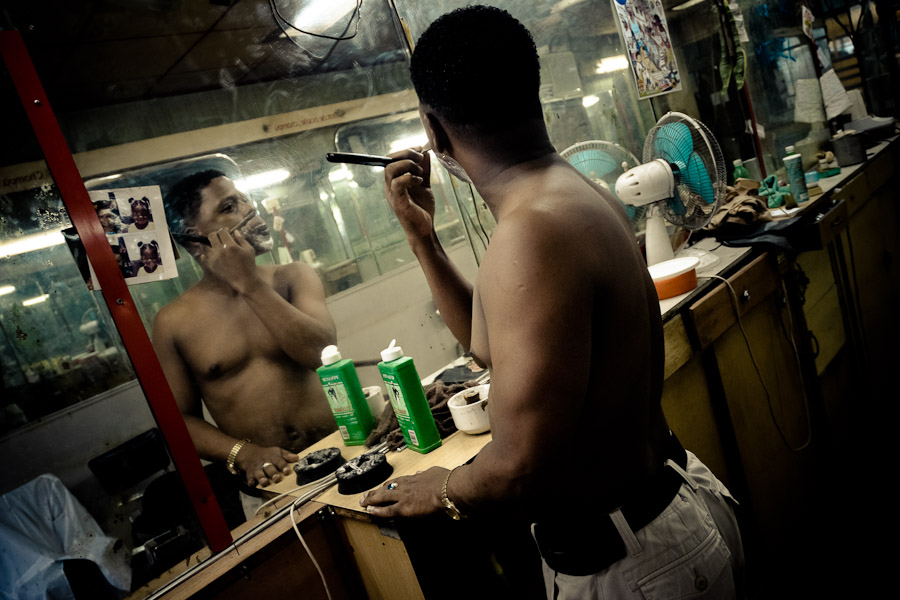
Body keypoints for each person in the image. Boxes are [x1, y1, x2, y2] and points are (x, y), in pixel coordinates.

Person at [360, 7, 744, 598]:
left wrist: (440, 486)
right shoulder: (574, 195)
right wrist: (424, 240)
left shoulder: (532, 235)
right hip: (659, 526)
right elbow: (490, 348)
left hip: (635, 564)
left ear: (433, 130)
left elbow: (519, 467)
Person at [152, 170, 337, 491]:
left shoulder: (293, 277)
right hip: (270, 481)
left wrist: (249, 283)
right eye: (228, 208)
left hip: (340, 449)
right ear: (196, 239)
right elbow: (179, 423)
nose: (249, 211)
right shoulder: (172, 322)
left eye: (244, 200)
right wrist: (242, 453)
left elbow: (322, 355)